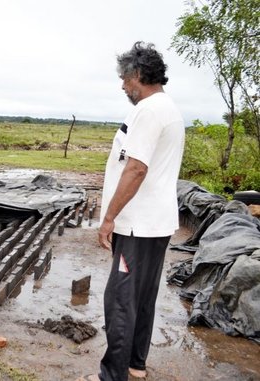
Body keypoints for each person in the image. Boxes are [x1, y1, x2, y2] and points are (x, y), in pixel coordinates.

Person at [77, 42, 185, 381]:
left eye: (125, 78)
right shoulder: (168, 107)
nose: (123, 85)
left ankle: (112, 375)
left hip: (137, 225)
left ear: (138, 75)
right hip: (156, 223)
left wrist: (108, 218)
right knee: (142, 296)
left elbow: (136, 169)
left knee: (121, 299)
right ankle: (136, 365)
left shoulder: (150, 110)